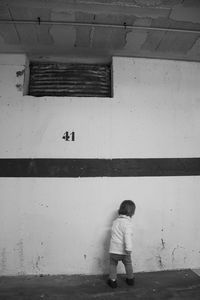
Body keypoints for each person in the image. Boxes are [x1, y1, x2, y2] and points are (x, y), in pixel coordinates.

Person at [107, 200, 136, 288]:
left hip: (113, 250)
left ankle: (112, 281)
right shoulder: (127, 224)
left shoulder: (115, 222)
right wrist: (129, 248)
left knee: (112, 264)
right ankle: (130, 279)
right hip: (124, 251)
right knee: (128, 263)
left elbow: (114, 235)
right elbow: (127, 237)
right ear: (132, 212)